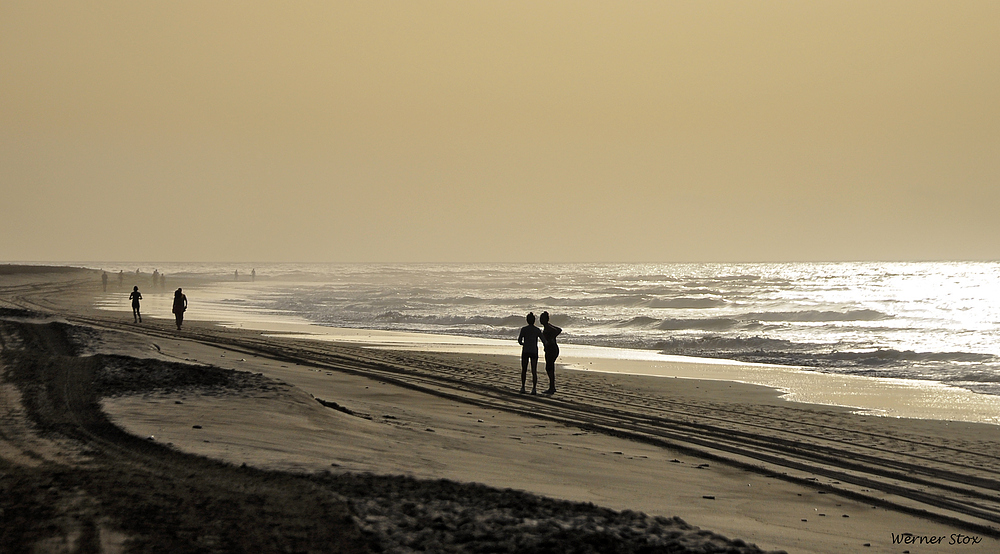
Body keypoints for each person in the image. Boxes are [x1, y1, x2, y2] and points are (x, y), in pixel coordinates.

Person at [517, 312, 544, 394]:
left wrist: (523, 344)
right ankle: (534, 388)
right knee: (534, 370)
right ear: (534, 320)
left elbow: (519, 340)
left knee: (524, 370)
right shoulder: (537, 330)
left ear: (527, 320)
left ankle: (523, 387)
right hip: (534, 351)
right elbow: (543, 340)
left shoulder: (524, 329)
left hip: (525, 350)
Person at [540, 311, 561, 394]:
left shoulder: (548, 327)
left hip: (551, 349)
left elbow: (558, 331)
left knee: (549, 368)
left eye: (542, 319)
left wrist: (551, 338)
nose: (541, 320)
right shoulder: (547, 326)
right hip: (551, 348)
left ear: (546, 319)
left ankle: (552, 387)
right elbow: (558, 329)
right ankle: (552, 386)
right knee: (550, 368)